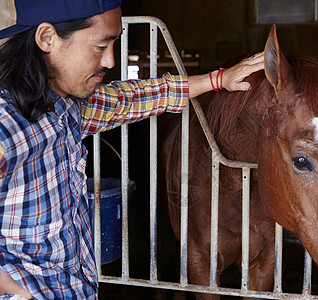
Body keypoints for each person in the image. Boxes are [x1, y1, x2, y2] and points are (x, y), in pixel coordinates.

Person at [0, 0, 264, 299]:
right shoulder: (6, 126)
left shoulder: (65, 107)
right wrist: (20, 294)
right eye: (100, 46)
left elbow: (133, 98)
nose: (111, 61)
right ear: (47, 38)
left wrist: (218, 79)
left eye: (114, 44)